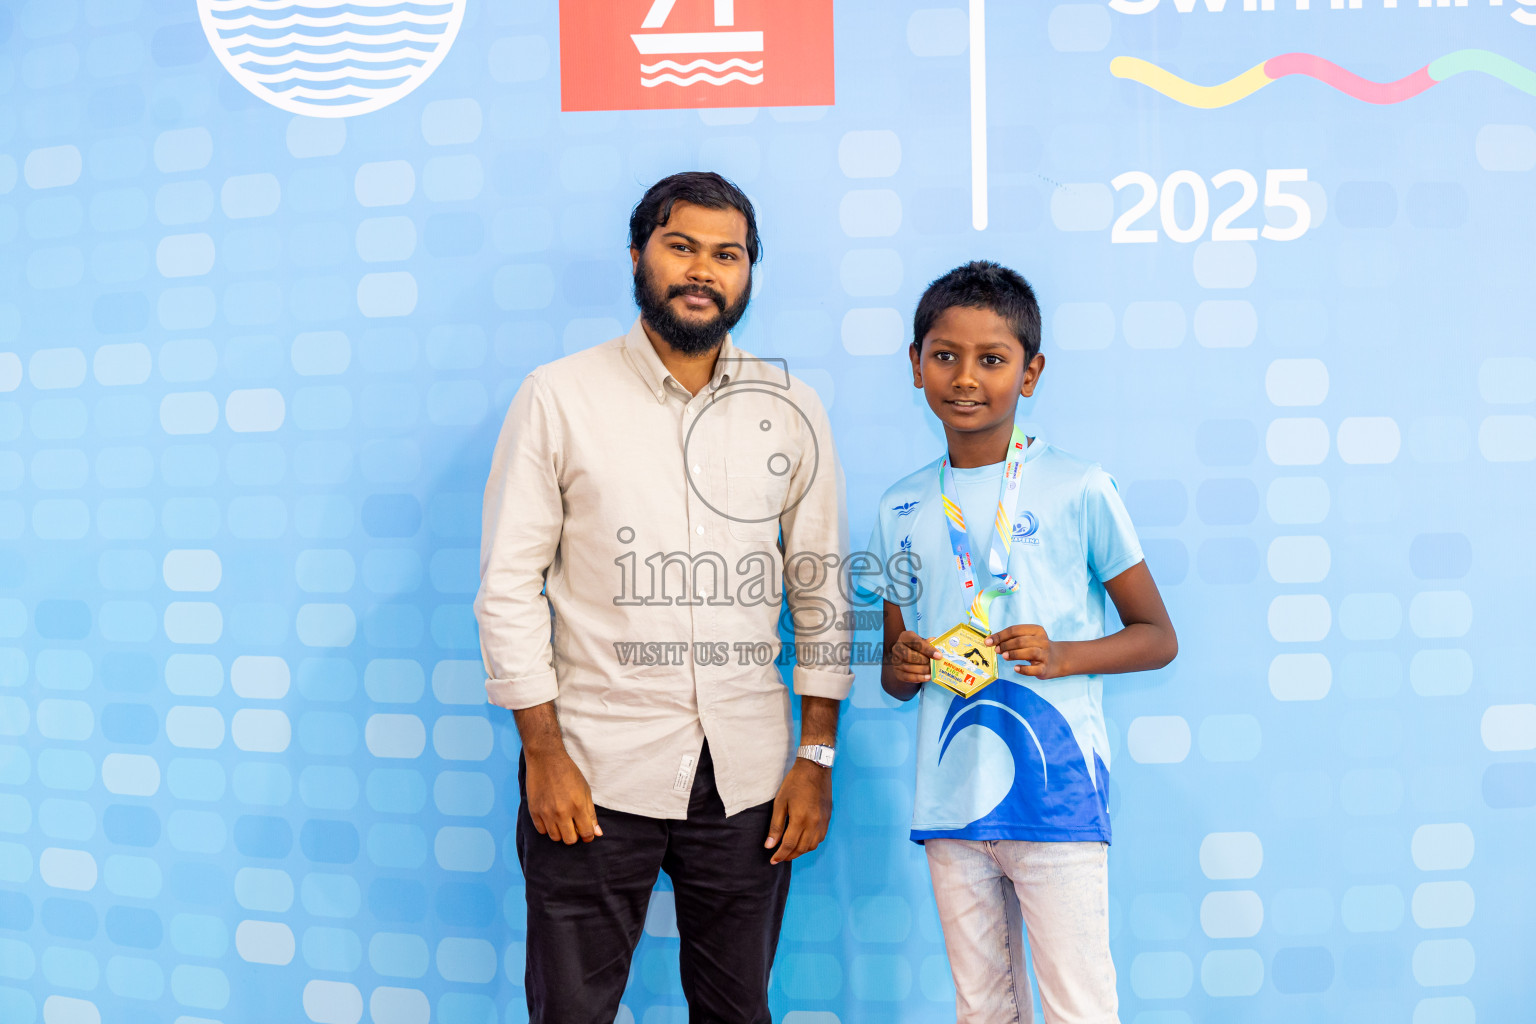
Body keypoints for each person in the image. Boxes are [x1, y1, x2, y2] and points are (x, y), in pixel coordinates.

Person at [474, 171, 852, 1024]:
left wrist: (816, 756)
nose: (702, 271)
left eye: (727, 255)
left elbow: (818, 585)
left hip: (750, 778)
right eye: (681, 246)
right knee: (571, 1014)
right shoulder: (559, 398)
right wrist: (543, 754)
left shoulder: (790, 407)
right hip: (591, 773)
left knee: (737, 1013)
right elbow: (506, 589)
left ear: (749, 273)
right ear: (639, 255)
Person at [866, 261, 1178, 1023]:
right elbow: (896, 673)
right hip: (950, 797)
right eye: (945, 355)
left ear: (1030, 373)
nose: (966, 377)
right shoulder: (901, 504)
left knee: (1079, 1006)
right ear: (916, 364)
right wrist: (903, 666)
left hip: (1058, 797)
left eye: (992, 359)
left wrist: (1065, 653)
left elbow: (1158, 637)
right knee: (983, 1009)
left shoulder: (1079, 486)